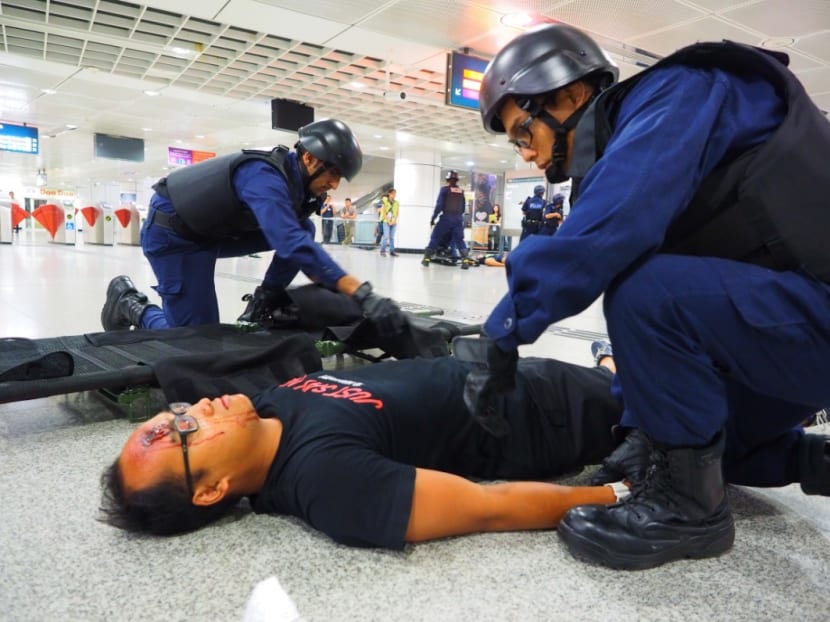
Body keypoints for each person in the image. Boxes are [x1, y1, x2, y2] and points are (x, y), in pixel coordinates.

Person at [466, 22, 830, 570]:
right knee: (706, 441)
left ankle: (690, 512)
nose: (527, 155)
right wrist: (646, 429)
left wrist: (503, 331)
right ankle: (804, 459)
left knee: (646, 292)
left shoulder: (685, 89)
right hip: (800, 326)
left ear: (568, 94)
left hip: (814, 318)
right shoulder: (637, 136)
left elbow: (610, 229)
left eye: (523, 133)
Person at [99, 348, 628, 548]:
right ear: (213, 490)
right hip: (550, 412)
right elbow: (489, 507)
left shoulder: (263, 407)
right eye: (183, 435)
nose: (191, 410)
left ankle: (608, 366)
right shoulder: (326, 480)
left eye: (175, 414)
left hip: (507, 372)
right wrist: (621, 494)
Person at [99, 119, 407, 337]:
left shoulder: (299, 186)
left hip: (211, 232)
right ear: (311, 158)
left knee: (305, 229)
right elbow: (288, 242)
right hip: (174, 237)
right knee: (196, 341)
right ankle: (129, 303)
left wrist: (273, 293)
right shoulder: (263, 177)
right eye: (334, 173)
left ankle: (264, 302)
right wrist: (361, 293)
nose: (335, 184)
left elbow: (297, 235)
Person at [421, 171, 474, 268]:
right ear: (456, 180)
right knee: (459, 240)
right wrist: (458, 217)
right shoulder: (461, 191)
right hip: (458, 219)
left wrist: (433, 218)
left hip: (446, 218)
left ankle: (426, 259)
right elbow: (463, 207)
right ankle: (465, 262)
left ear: (447, 180)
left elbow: (439, 205)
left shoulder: (444, 190)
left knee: (435, 237)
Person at [379, 188, 399, 257]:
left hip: (394, 222)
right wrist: (388, 221)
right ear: (389, 194)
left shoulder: (396, 203)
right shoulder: (385, 201)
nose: (394, 195)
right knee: (386, 236)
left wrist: (394, 221)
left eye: (395, 194)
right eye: (393, 194)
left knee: (392, 237)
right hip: (386, 222)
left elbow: (397, 213)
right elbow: (384, 213)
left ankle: (392, 251)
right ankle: (382, 251)